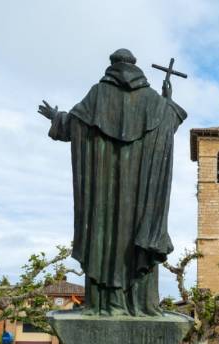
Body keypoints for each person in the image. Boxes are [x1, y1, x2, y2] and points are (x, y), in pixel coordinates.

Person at [38, 48, 187, 316]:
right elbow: (169, 121)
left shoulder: (98, 95)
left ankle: (108, 303)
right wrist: (168, 100)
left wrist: (56, 118)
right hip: (141, 196)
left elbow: (74, 123)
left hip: (104, 196)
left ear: (112, 65)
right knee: (137, 240)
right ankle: (139, 303)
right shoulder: (154, 102)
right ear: (134, 66)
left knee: (104, 240)